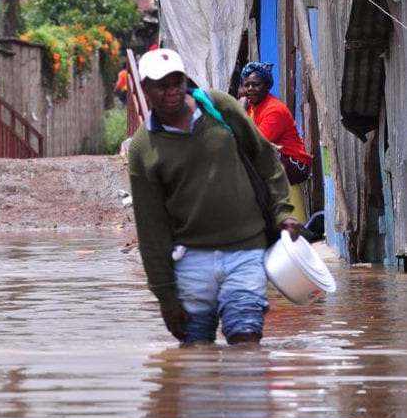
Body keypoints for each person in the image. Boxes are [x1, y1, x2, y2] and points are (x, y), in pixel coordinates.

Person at [126, 48, 300, 346]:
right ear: (145, 89)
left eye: (176, 81)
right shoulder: (143, 148)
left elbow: (264, 158)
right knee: (195, 352)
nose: (171, 91)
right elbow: (151, 228)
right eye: (161, 85)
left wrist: (283, 212)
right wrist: (166, 298)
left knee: (247, 342)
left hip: (246, 251)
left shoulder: (217, 106)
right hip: (190, 260)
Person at [238, 62, 312, 184]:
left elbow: (253, 144)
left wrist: (239, 113)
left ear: (267, 86)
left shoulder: (274, 110)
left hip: (295, 165)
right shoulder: (251, 106)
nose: (250, 88)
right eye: (247, 85)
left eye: (255, 84)